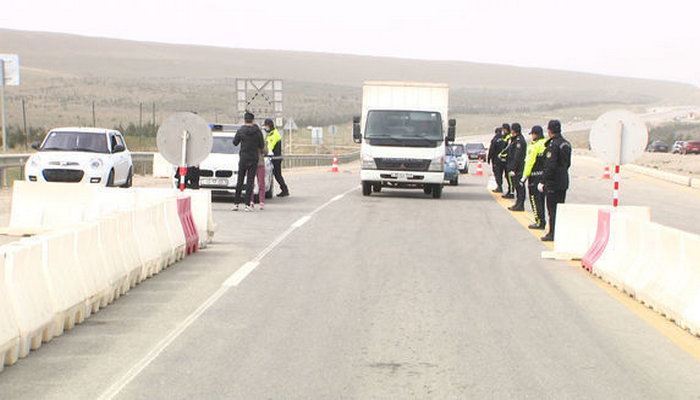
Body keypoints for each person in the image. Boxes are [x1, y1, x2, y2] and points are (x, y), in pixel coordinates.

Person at [539, 119, 572, 242]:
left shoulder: (553, 145)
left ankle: (552, 233)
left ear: (549, 130)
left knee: (552, 209)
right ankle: (558, 231)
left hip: (553, 182)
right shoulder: (566, 143)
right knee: (560, 208)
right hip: (563, 180)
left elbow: (550, 166)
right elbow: (567, 163)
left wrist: (543, 181)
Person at [233, 112, 265, 212]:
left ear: (244, 120)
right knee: (250, 181)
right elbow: (261, 145)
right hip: (254, 158)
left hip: (243, 157)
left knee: (240, 180)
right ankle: (247, 205)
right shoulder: (257, 131)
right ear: (253, 120)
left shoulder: (241, 130)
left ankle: (236, 203)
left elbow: (235, 143)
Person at [521, 126, 547, 229]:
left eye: (533, 134)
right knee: (542, 200)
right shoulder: (546, 144)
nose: (532, 136)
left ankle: (539, 221)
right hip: (543, 176)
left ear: (536, 134)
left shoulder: (534, 146)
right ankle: (542, 220)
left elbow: (529, 162)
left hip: (534, 176)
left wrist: (524, 176)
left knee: (535, 200)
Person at [264, 119, 289, 197]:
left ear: (270, 126)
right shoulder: (271, 134)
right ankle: (284, 189)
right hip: (274, 157)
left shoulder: (274, 135)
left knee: (277, 174)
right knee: (276, 174)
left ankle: (284, 190)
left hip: (276, 158)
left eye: (266, 126)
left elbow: (270, 147)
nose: (266, 128)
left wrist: (264, 152)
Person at [506, 123, 527, 211]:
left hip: (518, 168)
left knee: (520, 187)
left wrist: (513, 168)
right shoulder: (514, 140)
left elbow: (517, 156)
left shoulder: (519, 141)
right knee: (517, 187)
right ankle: (518, 203)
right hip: (515, 167)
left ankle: (520, 204)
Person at [487, 127, 507, 193]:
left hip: (496, 160)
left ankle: (499, 186)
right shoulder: (505, 139)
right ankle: (509, 188)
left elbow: (491, 149)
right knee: (505, 174)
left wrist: (489, 158)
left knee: (497, 173)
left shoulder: (495, 139)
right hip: (505, 159)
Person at [249, 143, 268, 210]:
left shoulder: (261, 140)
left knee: (261, 183)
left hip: (259, 163)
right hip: (251, 163)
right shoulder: (249, 139)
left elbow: (265, 151)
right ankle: (251, 201)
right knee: (251, 183)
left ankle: (261, 202)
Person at [498, 123, 514, 198]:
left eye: (503, 129)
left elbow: (507, 148)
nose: (503, 131)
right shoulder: (505, 136)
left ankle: (511, 192)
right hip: (504, 159)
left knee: (509, 177)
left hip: (508, 159)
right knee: (506, 176)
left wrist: (501, 154)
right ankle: (509, 190)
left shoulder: (509, 137)